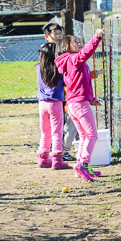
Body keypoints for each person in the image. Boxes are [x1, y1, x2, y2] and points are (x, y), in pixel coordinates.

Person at [55, 28, 105, 182]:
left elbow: (81, 83)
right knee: (92, 135)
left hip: (74, 102)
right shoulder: (73, 59)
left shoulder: (69, 61)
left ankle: (80, 167)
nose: (78, 44)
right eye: (74, 42)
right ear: (66, 46)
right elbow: (85, 54)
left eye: (78, 41)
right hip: (79, 104)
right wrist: (96, 38)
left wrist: (90, 98)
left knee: (83, 135)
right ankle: (84, 163)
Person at [42, 22, 78, 161]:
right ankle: (57, 154)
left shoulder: (64, 49)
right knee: (57, 126)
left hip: (65, 93)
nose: (58, 36)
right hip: (54, 95)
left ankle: (59, 152)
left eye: (59, 33)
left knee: (64, 124)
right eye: (55, 34)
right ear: (47, 36)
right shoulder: (46, 52)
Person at [35, 42, 69, 169]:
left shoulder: (38, 67)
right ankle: (57, 160)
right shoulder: (59, 68)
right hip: (55, 103)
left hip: (42, 103)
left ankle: (43, 158)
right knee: (57, 132)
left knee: (45, 132)